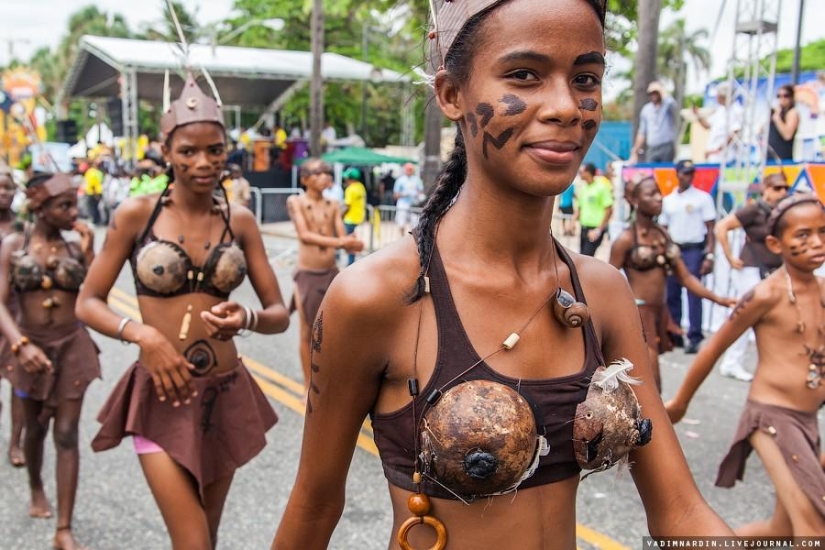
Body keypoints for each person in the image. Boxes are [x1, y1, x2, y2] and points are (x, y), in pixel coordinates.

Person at [272, 2, 734, 548]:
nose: (566, 105)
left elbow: (679, 508)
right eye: (524, 75)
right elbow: (315, 505)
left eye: (585, 78)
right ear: (451, 95)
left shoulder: (601, 291)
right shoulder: (375, 296)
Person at [75, 69, 290, 549]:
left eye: (214, 150)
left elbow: (279, 313)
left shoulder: (242, 220)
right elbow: (87, 302)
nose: (203, 162)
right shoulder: (137, 214)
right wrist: (143, 335)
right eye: (188, 151)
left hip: (225, 393)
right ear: (166, 150)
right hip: (162, 395)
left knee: (205, 540)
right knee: (192, 541)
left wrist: (247, 317)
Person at [666, 193, 825, 536]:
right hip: (772, 419)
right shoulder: (766, 294)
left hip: (808, 421)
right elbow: (714, 349)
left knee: (781, 532)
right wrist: (680, 403)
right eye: (803, 235)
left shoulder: (823, 290)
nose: (816, 242)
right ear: (774, 243)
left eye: (823, 232)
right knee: (815, 530)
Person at [0, 172, 98, 550]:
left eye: (74, 203)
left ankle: (64, 528)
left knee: (67, 433)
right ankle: (37, 486)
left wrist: (88, 253)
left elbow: (91, 296)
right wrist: (20, 345)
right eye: (65, 205)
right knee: (35, 431)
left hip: (71, 346)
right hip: (29, 347)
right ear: (40, 207)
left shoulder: (75, 246)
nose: (74, 212)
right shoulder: (13, 244)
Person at [610, 175, 735, 391]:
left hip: (660, 312)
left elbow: (686, 277)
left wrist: (719, 299)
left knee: (649, 381)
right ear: (635, 200)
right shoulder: (627, 239)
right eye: (651, 194)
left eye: (659, 193)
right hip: (640, 313)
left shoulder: (663, 235)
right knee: (652, 380)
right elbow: (608, 279)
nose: (659, 198)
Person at [286, 159, 363, 393]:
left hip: (331, 273)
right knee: (308, 331)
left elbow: (341, 234)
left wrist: (351, 243)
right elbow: (305, 235)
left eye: (327, 173)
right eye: (318, 173)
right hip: (308, 273)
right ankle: (308, 384)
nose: (325, 177)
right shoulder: (296, 201)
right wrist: (342, 241)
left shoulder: (333, 203)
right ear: (305, 179)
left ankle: (332, 380)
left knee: (335, 329)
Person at [714, 173, 789, 382]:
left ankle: (761, 363)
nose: (782, 192)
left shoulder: (781, 212)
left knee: (771, 317)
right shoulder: (754, 209)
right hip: (750, 269)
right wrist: (729, 257)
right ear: (765, 189)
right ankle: (731, 362)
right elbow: (722, 227)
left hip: (772, 271)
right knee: (749, 316)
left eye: (785, 188)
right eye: (777, 188)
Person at [661, 160, 717, 354]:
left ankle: (694, 335)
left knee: (694, 293)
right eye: (685, 173)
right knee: (672, 293)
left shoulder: (703, 198)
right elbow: (664, 229)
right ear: (677, 174)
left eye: (691, 173)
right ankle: (675, 332)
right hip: (675, 248)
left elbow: (711, 229)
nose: (689, 176)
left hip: (694, 249)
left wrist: (710, 254)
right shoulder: (668, 200)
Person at [0, 167, 24, 468]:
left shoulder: (24, 230)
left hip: (17, 317)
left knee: (20, 385)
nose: (3, 193)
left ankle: (16, 442)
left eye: (8, 188)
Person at [630, 81, 678, 164]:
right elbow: (642, 132)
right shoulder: (646, 109)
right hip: (652, 148)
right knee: (651, 173)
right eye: (651, 93)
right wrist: (635, 151)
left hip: (666, 147)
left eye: (656, 92)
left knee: (665, 173)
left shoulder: (667, 104)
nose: (653, 95)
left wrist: (661, 90)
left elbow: (674, 105)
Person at [694, 83, 743, 164]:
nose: (716, 98)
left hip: (727, 158)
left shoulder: (737, 111)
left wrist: (717, 150)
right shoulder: (720, 110)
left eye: (717, 95)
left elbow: (734, 134)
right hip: (714, 157)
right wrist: (698, 115)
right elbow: (707, 125)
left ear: (723, 96)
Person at [573, 163, 613, 256]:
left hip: (594, 229)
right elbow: (580, 207)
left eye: (582, 171)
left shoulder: (601, 188)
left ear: (588, 173)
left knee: (587, 258)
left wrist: (598, 230)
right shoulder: (583, 188)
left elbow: (609, 210)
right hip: (584, 228)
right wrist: (573, 221)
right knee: (581, 255)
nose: (580, 174)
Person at [342, 167, 367, 266]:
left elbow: (347, 206)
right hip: (359, 218)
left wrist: (339, 216)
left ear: (349, 178)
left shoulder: (350, 189)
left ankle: (350, 263)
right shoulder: (361, 187)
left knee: (349, 241)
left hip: (349, 219)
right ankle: (351, 261)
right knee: (354, 239)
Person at [768, 84, 799, 162]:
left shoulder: (792, 113)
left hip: (783, 158)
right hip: (769, 157)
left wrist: (777, 118)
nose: (782, 99)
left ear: (792, 97)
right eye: (779, 96)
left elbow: (788, 135)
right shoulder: (776, 112)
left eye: (786, 96)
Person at [393, 162, 424, 237]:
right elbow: (395, 195)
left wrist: (418, 195)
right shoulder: (400, 180)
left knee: (415, 223)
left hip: (414, 204)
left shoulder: (417, 180)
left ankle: (413, 239)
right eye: (408, 169)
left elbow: (421, 191)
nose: (409, 171)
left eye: (411, 169)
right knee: (401, 223)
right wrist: (404, 194)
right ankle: (401, 237)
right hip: (403, 203)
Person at [82, 160, 104, 226]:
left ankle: (95, 221)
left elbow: (92, 184)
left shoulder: (91, 172)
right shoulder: (99, 172)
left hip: (93, 193)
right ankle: (98, 221)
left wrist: (95, 194)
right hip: (97, 192)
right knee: (96, 207)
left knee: (93, 207)